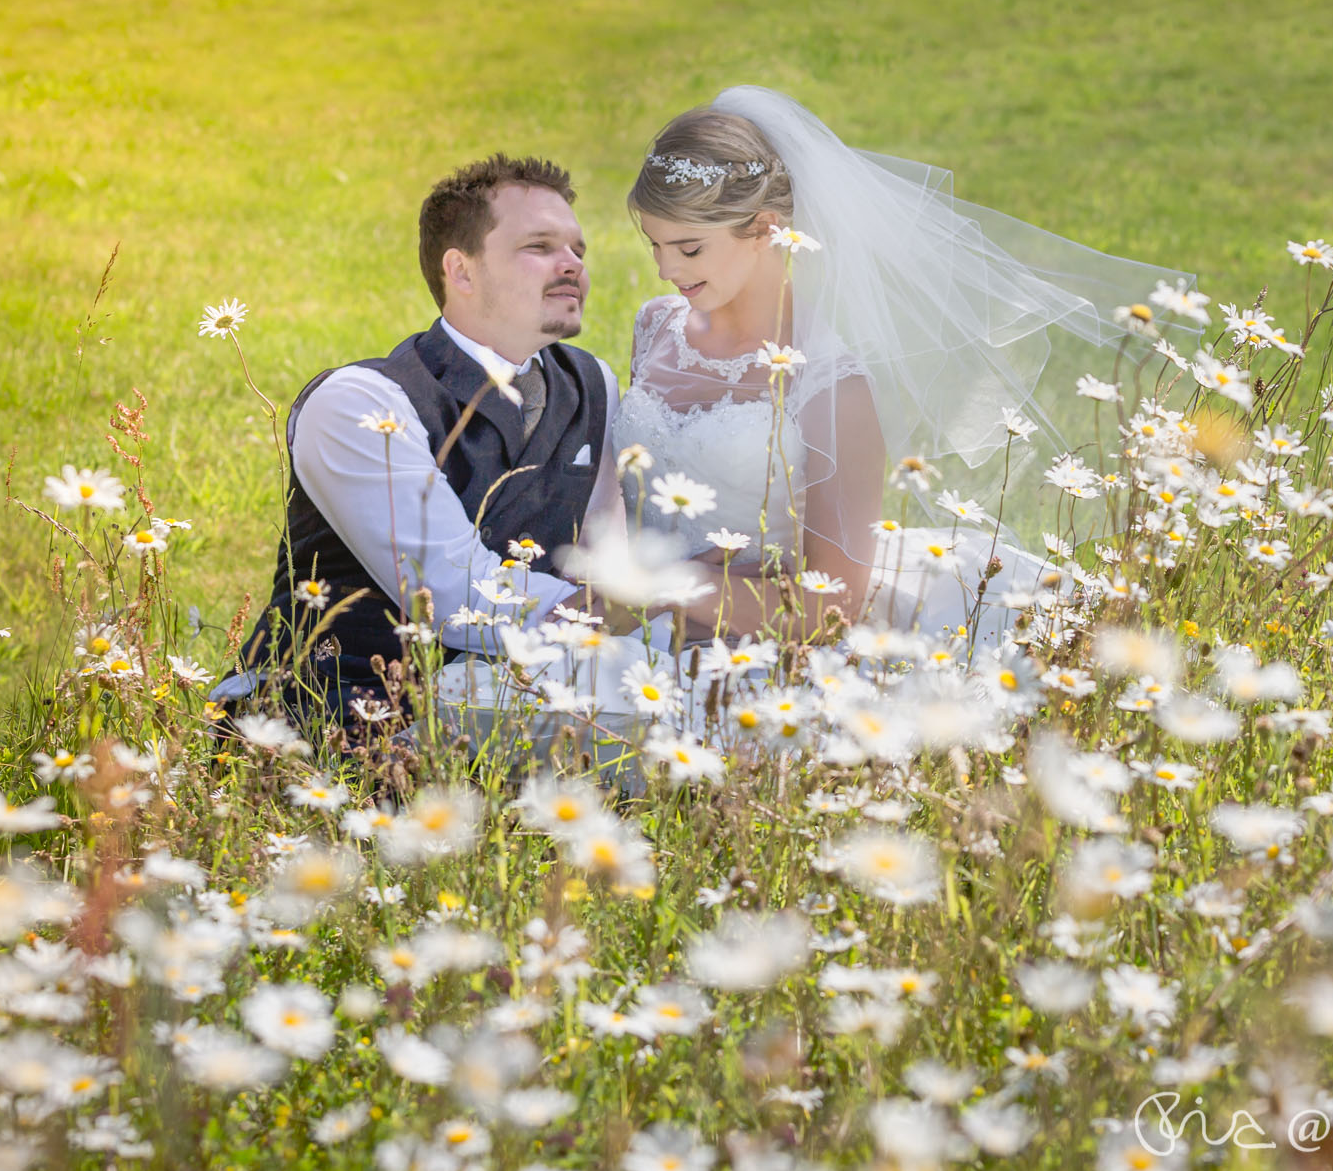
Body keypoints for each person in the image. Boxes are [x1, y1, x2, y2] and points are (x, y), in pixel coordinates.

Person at [614, 86, 1199, 658]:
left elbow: (830, 608)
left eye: (689, 249)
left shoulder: (830, 382)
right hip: (622, 621)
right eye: (654, 244)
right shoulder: (656, 326)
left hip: (756, 648)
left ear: (766, 229)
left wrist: (673, 589)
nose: (667, 269)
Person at [214, 153, 651, 733]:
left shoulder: (592, 384)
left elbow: (603, 551)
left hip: (530, 697)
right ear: (462, 272)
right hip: (340, 713)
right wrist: (638, 607)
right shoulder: (360, 402)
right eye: (539, 247)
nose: (571, 264)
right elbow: (448, 590)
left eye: (578, 249)